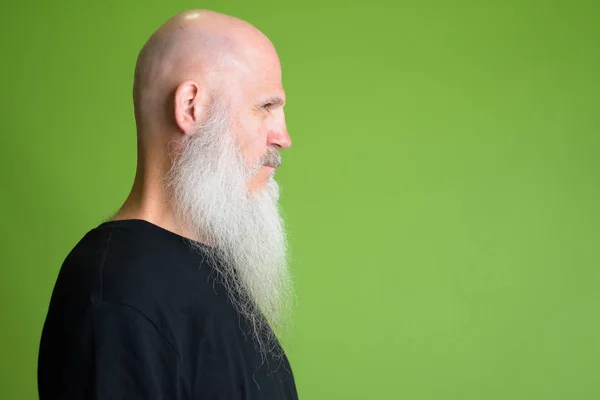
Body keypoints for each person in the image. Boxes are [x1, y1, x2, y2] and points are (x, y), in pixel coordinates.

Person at [37, 9, 298, 399]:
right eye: (265, 107)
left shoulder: (212, 269)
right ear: (191, 107)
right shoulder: (116, 296)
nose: (283, 137)